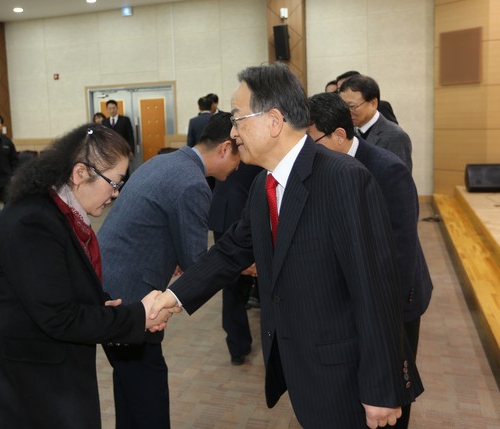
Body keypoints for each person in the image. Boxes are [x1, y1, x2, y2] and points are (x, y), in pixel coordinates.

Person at [150, 63, 423, 429]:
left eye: (237, 118)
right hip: (303, 369)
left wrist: (382, 387)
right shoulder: (265, 186)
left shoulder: (343, 178)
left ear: (274, 121)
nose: (232, 132)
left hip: (347, 376)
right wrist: (172, 297)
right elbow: (231, 251)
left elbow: (375, 288)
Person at [0, 123, 179, 429]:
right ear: (79, 174)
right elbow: (60, 317)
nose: (115, 194)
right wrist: (138, 316)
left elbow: (62, 284)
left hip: (32, 373)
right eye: (113, 183)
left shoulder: (55, 211)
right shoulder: (33, 223)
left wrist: (103, 307)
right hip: (10, 388)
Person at [97, 112, 241, 429]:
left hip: (109, 282)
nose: (237, 168)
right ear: (225, 149)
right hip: (131, 298)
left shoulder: (164, 162)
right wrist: (244, 267)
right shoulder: (193, 184)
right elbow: (196, 264)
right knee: (148, 394)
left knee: (129, 385)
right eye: (238, 157)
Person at [307, 91, 433, 429]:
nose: (306, 151)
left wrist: (393, 311)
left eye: (311, 141)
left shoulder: (385, 168)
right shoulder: (322, 167)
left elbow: (402, 248)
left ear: (338, 135)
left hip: (397, 299)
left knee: (392, 387)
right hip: (357, 296)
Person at [208, 161, 262, 365]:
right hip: (245, 214)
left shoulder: (230, 138)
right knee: (256, 281)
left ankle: (237, 347)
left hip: (223, 210)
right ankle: (244, 346)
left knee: (232, 285)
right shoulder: (262, 141)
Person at [339, 74, 413, 172]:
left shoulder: (395, 136)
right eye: (344, 107)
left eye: (352, 107)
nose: (348, 112)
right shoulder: (346, 131)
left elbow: (401, 180)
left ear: (373, 103)